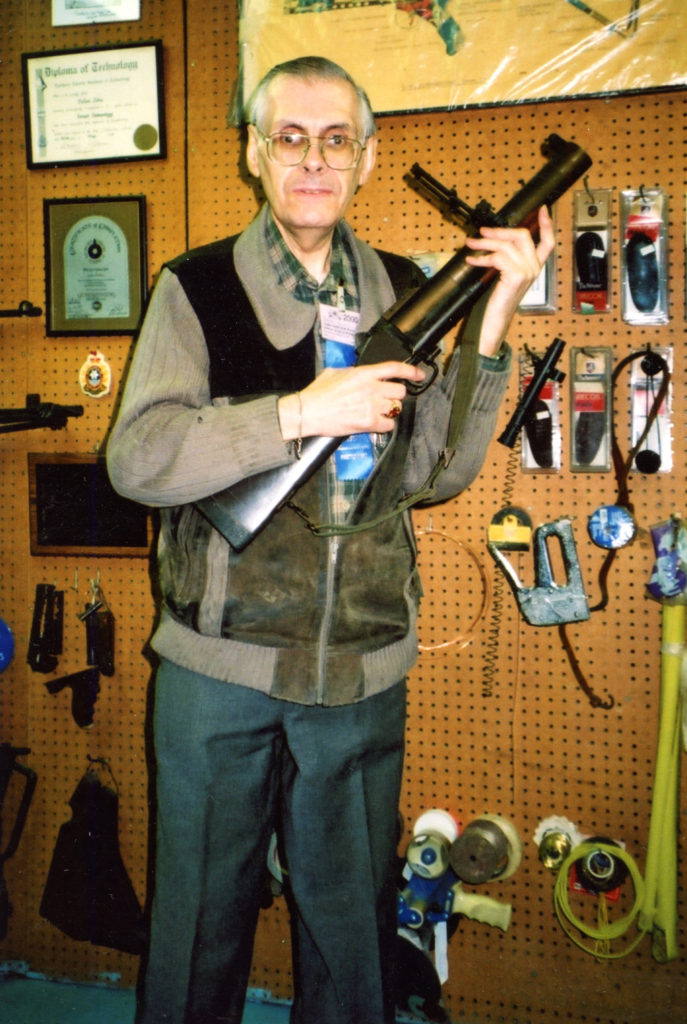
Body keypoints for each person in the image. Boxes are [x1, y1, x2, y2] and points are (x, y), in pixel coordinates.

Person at [107, 56, 554, 1024]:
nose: (314, 159)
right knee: (195, 930)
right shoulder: (194, 288)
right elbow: (137, 460)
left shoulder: (400, 289)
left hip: (359, 668)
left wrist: (499, 313)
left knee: (351, 934)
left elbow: (437, 474)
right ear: (256, 155)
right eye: (291, 138)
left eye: (337, 139)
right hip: (216, 670)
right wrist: (298, 412)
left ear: (369, 157)